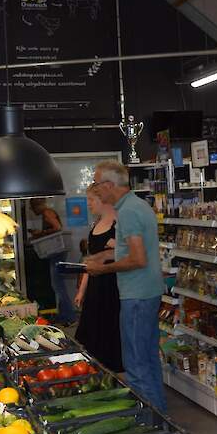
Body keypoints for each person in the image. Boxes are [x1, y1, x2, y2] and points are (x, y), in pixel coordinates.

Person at [84, 160, 167, 412]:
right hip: (148, 293)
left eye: (98, 184)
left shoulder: (128, 212)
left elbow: (137, 259)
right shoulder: (136, 206)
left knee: (136, 366)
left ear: (109, 185)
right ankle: (161, 415)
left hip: (136, 296)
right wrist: (104, 256)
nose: (96, 190)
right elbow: (130, 250)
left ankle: (150, 424)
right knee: (149, 360)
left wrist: (102, 269)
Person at [74, 184, 124, 372]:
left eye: (91, 200)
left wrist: (117, 247)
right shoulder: (95, 226)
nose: (88, 204)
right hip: (96, 288)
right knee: (92, 331)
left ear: (103, 200)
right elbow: (90, 263)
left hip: (113, 287)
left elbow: (132, 253)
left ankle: (115, 372)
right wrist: (81, 290)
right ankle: (96, 369)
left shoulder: (120, 224)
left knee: (111, 330)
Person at [29, 198, 77, 326]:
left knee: (58, 286)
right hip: (57, 252)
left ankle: (69, 316)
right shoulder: (48, 212)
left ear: (37, 205)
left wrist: (41, 233)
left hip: (56, 252)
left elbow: (58, 227)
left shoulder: (47, 213)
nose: (32, 211)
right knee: (58, 285)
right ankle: (64, 315)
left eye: (32, 208)